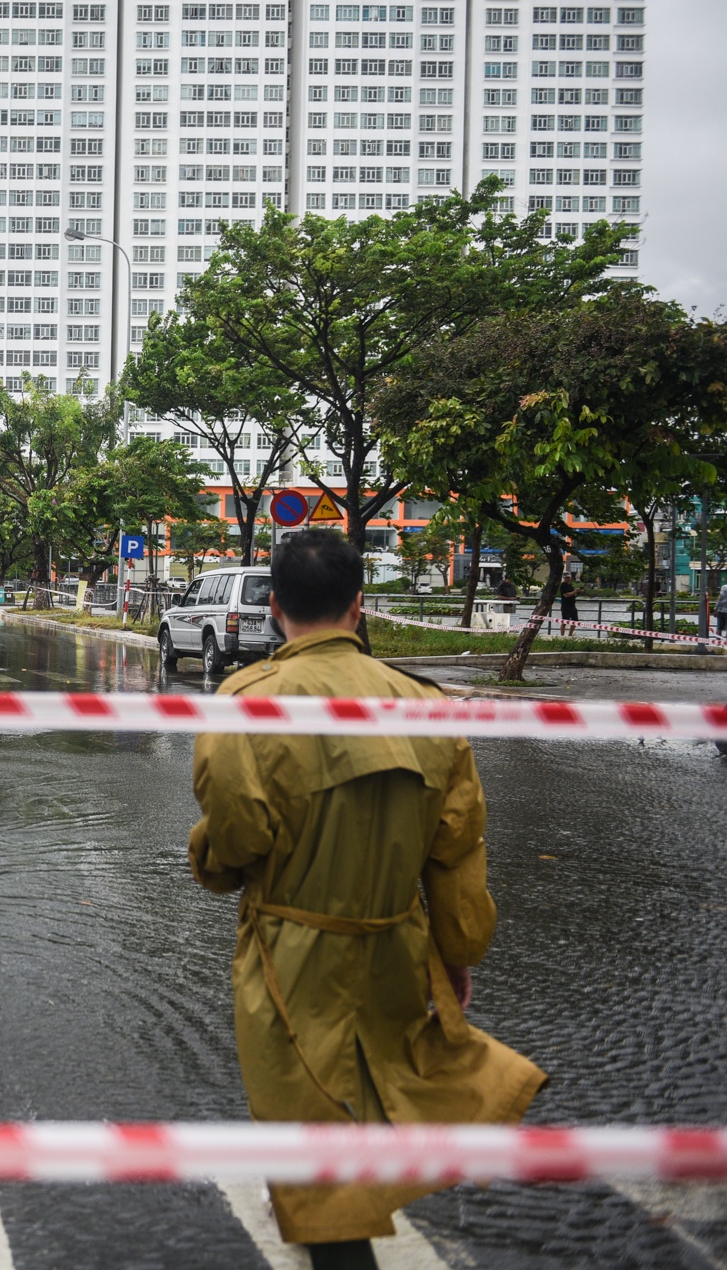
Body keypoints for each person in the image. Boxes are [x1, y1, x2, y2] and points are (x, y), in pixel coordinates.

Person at [187, 529, 544, 1270]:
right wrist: (455, 953)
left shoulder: (247, 705)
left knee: (308, 1134)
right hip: (394, 949)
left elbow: (235, 845)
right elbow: (456, 850)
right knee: (388, 1099)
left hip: (291, 954)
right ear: (359, 605)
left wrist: (206, 855)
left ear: (275, 606)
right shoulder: (424, 705)